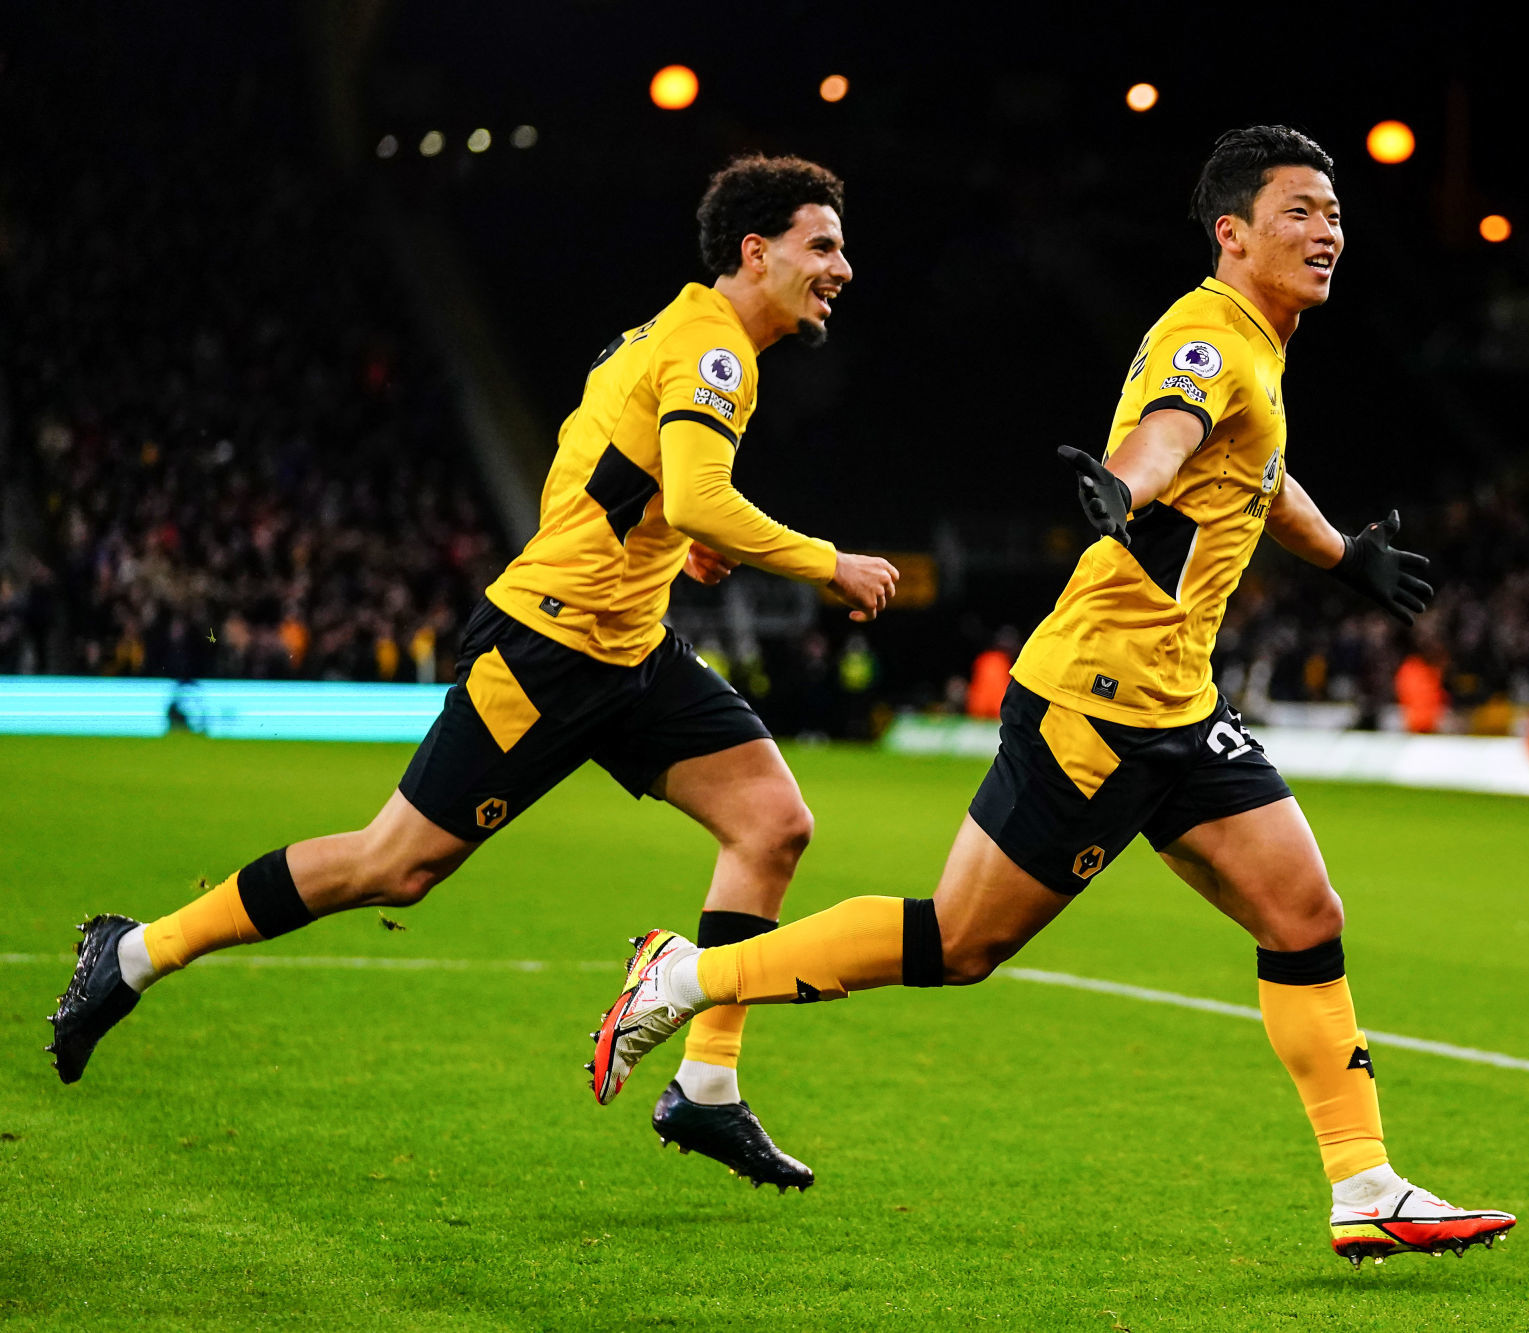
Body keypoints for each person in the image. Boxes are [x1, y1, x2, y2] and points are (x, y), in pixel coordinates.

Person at [587, 126, 1514, 1265]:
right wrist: (1125, 485)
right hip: (1096, 703)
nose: (1326, 232)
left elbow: (1258, 475)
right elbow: (1165, 436)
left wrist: (1341, 555)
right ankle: (685, 977)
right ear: (1232, 234)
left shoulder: (1257, 348)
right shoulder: (1206, 337)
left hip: (1179, 707)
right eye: (1298, 213)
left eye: (1332, 214)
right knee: (959, 942)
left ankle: (1365, 1184)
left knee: (1305, 915)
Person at [48, 155, 901, 1194]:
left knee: (771, 824)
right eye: (822, 245)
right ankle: (135, 951)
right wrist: (824, 560)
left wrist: (675, 541)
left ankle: (707, 1085)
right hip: (545, 651)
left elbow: (597, 462)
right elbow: (696, 493)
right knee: (391, 865)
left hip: (628, 646)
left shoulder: (672, 334)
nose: (841, 268)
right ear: (755, 252)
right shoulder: (713, 349)